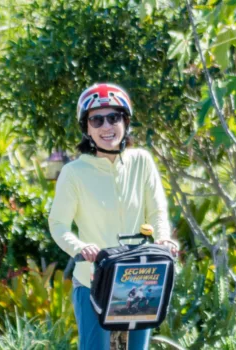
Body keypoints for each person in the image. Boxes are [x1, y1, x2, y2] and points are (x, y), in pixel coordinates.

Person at [48, 82, 179, 349]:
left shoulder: (141, 162)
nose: (107, 127)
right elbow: (58, 223)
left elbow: (156, 211)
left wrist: (164, 239)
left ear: (125, 121)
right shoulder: (74, 173)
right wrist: (80, 247)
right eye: (97, 120)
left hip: (138, 280)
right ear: (87, 128)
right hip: (93, 281)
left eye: (114, 117)